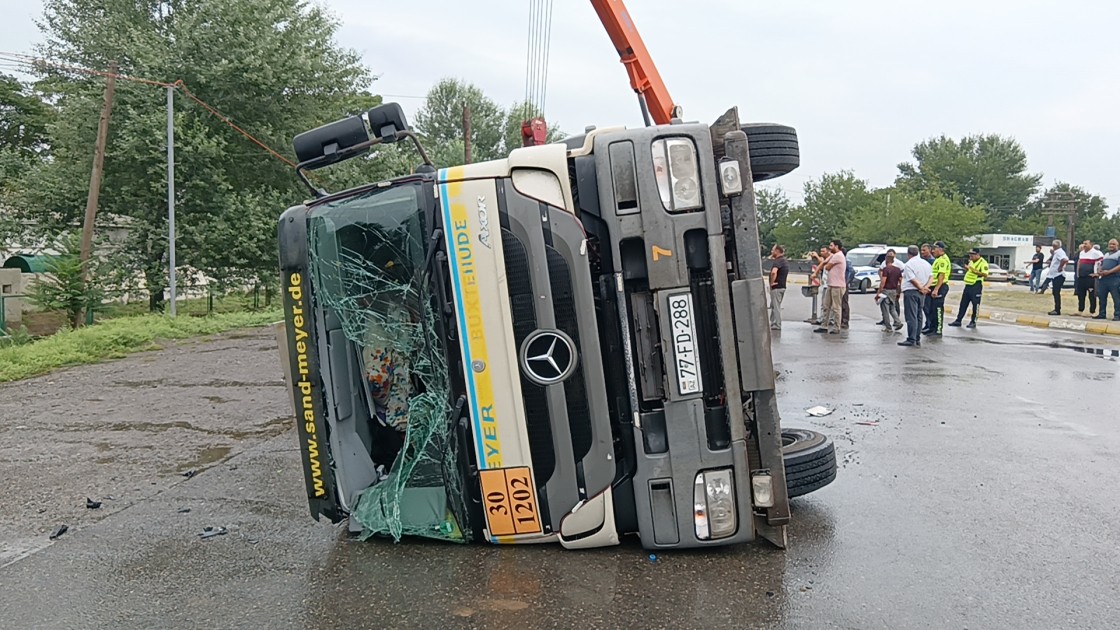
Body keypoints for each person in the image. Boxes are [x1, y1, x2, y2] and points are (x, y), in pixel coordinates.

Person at [898, 245, 932, 347]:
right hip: (922, 293)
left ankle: (911, 338)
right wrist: (926, 287)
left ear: (908, 254)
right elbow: (931, 276)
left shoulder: (908, 265)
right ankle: (917, 337)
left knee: (911, 315)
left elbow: (912, 279)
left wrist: (921, 287)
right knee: (919, 315)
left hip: (912, 291)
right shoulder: (926, 264)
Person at [949, 249, 989, 328]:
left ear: (978, 255)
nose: (971, 257)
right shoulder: (971, 262)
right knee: (963, 304)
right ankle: (958, 320)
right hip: (968, 285)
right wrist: (967, 269)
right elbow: (970, 271)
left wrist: (973, 270)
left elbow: (985, 275)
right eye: (970, 255)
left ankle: (973, 321)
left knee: (975, 305)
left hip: (976, 285)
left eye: (973, 255)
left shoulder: (983, 263)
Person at [814, 239, 847, 335]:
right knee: (826, 305)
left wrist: (825, 266)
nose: (830, 247)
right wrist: (816, 272)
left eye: (831, 245)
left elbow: (827, 267)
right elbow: (824, 263)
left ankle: (837, 327)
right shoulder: (833, 255)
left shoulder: (838, 256)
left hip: (838, 285)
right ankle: (824, 325)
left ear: (837, 246)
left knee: (836, 307)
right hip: (831, 284)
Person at [923, 241, 951, 336]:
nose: (933, 251)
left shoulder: (943, 260)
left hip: (940, 286)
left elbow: (941, 276)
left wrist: (936, 289)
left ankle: (938, 330)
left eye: (935, 249)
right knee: (931, 309)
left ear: (940, 249)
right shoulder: (938, 259)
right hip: (934, 286)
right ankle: (931, 328)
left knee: (938, 309)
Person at [874, 248, 904, 332]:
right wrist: (899, 291)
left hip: (886, 290)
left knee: (885, 309)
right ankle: (898, 322)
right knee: (892, 308)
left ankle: (888, 327)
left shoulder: (886, 269)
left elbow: (883, 282)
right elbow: (900, 280)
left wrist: (879, 291)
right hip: (894, 290)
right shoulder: (897, 270)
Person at [1091, 239, 1120, 321]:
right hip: (1103, 279)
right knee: (1102, 297)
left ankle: (1117, 315)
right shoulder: (1106, 254)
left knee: (1116, 298)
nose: (1111, 246)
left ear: (1117, 245)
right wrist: (1099, 271)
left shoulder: (1118, 254)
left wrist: (1109, 272)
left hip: (1114, 278)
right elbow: (1102, 264)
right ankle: (1102, 313)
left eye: (1113, 244)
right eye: (1110, 244)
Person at [1074, 240, 1102, 316]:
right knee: (1081, 294)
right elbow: (1079, 263)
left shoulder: (1096, 253)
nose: (1084, 245)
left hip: (1090, 278)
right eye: (1083, 244)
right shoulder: (1082, 253)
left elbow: (1101, 263)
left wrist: (1097, 273)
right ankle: (1080, 310)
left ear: (1091, 244)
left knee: (1092, 295)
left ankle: (1092, 311)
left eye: (1086, 244)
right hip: (1081, 277)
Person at [1046, 239, 1070, 316]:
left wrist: (1060, 267)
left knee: (1056, 292)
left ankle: (1057, 309)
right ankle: (1056, 308)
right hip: (1054, 275)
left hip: (1058, 275)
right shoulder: (1057, 252)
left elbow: (1065, 260)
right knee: (1055, 292)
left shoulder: (1059, 252)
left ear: (1054, 246)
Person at [768, 244, 789, 331]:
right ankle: (773, 322)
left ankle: (777, 324)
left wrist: (772, 282)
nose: (771, 252)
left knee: (776, 306)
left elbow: (774, 272)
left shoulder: (778, 261)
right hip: (782, 286)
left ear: (777, 251)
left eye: (773, 250)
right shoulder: (784, 261)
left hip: (777, 287)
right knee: (774, 305)